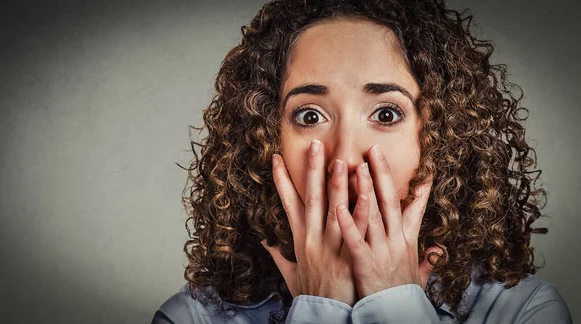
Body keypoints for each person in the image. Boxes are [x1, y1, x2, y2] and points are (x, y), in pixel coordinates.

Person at [152, 0, 572, 323]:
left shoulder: (525, 311)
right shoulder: (190, 318)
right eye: (310, 116)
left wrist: (396, 304)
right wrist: (322, 307)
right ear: (264, 136)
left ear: (442, 137)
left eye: (386, 114)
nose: (346, 155)